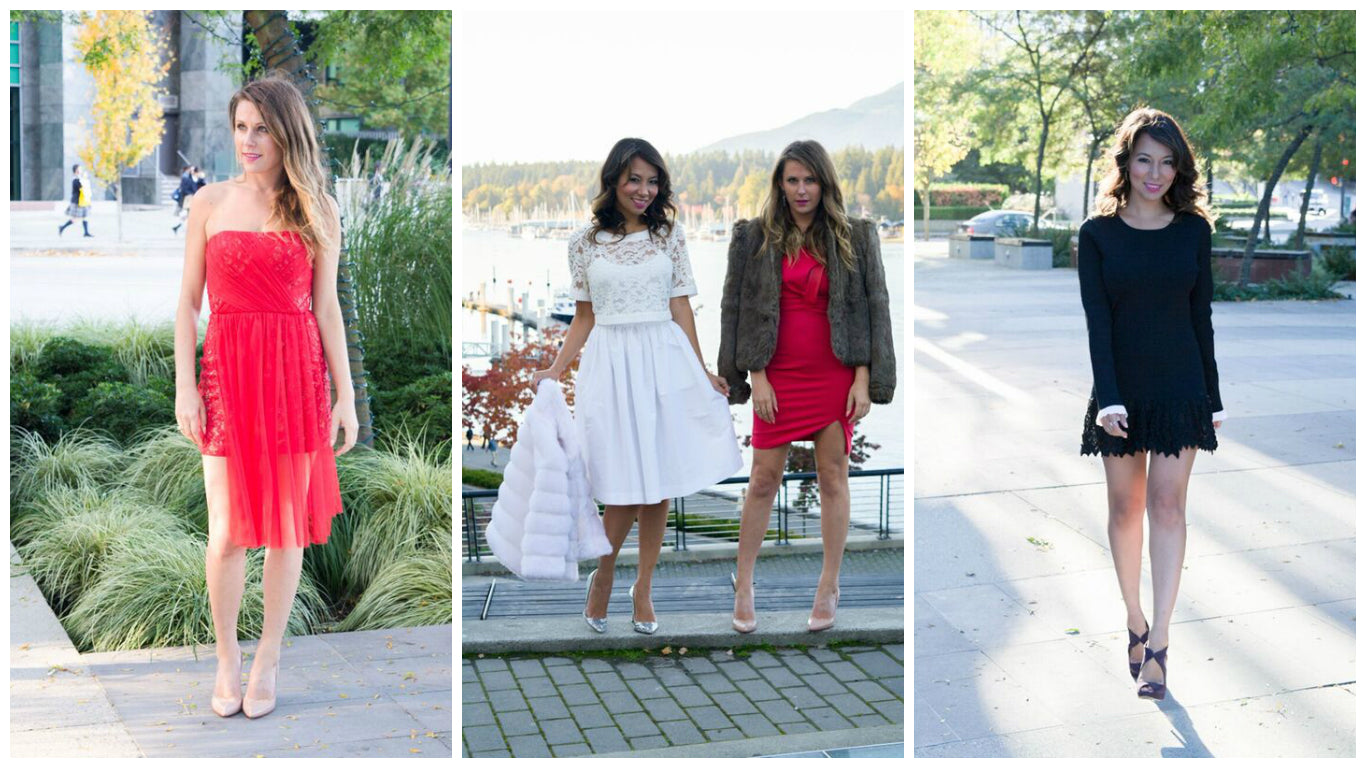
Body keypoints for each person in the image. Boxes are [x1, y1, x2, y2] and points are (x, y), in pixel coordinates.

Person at [172, 74, 357, 720]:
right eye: (240, 126)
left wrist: (346, 398)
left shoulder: (319, 209)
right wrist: (185, 386)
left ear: (287, 132)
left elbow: (327, 309)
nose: (248, 140)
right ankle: (226, 658)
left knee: (285, 530)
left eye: (261, 128)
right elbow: (186, 305)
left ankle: (268, 657)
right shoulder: (208, 203)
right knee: (225, 532)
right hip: (225, 375)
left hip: (296, 376)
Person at [531, 137, 740, 635]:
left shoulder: (670, 235)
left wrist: (703, 369)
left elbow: (681, 306)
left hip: (664, 361)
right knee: (621, 484)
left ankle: (643, 586)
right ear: (614, 181)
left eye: (652, 182)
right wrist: (557, 370)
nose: (644, 190)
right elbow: (584, 316)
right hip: (609, 364)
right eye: (634, 180)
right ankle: (603, 575)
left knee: (659, 483)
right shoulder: (582, 244)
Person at [718, 140, 895, 634]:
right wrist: (756, 374)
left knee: (833, 477)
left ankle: (828, 584)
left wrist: (863, 377)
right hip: (777, 375)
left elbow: (872, 306)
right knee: (761, 483)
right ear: (779, 183)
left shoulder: (854, 236)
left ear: (824, 183)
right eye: (792, 180)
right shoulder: (753, 237)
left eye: (809, 180)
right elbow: (737, 309)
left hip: (834, 374)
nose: (801, 190)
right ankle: (745, 582)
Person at [1078, 107, 1224, 701]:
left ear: (1178, 168)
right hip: (1121, 388)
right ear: (1126, 163)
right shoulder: (1097, 235)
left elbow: (1201, 318)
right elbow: (1097, 324)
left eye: (1167, 162)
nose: (1155, 173)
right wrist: (1107, 397)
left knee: (1168, 506)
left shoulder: (1194, 231)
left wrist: (1211, 397)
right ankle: (1133, 618)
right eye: (1145, 159)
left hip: (1181, 387)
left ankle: (1159, 643)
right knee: (1124, 508)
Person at [58, 164, 93, 237]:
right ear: (76, 170)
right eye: (80, 168)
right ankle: (62, 227)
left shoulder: (79, 179)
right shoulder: (76, 180)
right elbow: (82, 188)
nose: (81, 170)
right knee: (75, 219)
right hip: (77, 202)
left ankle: (86, 232)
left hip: (82, 201)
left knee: (85, 216)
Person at [172, 165, 198, 234]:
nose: (191, 171)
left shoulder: (195, 178)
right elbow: (184, 188)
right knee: (189, 213)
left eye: (193, 170)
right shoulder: (186, 178)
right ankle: (181, 226)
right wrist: (191, 193)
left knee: (189, 213)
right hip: (188, 197)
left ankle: (178, 226)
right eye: (191, 170)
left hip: (193, 197)